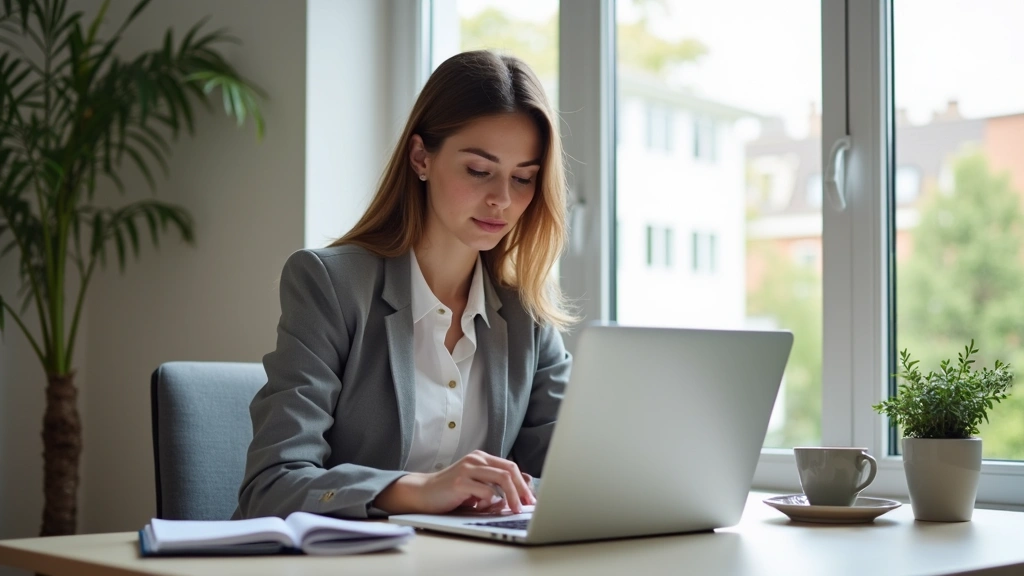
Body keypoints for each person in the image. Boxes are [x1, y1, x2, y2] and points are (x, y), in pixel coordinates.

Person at [233, 50, 576, 520]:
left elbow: (573, 479)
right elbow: (272, 486)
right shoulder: (331, 285)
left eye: (523, 178)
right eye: (479, 170)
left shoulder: (527, 314)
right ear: (421, 157)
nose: (502, 199)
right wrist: (415, 489)